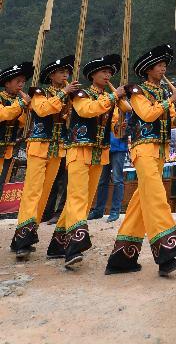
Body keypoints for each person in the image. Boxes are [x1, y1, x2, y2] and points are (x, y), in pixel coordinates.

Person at [104, 44, 176, 278]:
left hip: (160, 151)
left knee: (140, 203)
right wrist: (171, 100)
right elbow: (147, 114)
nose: (163, 69)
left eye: (164, 65)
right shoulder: (137, 92)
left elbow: (167, 117)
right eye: (160, 65)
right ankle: (166, 255)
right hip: (143, 150)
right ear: (149, 69)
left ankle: (122, 258)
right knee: (156, 197)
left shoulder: (163, 93)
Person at [47, 54, 125, 269]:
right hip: (78, 150)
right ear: (93, 75)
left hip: (99, 153)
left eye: (110, 72)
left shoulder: (111, 99)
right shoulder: (80, 94)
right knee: (78, 197)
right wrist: (111, 98)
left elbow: (116, 123)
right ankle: (74, 248)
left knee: (82, 199)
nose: (108, 75)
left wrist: (120, 123)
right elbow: (86, 110)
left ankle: (56, 245)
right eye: (104, 72)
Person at [10, 55, 80, 260]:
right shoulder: (39, 92)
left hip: (57, 149)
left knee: (44, 194)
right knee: (32, 192)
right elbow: (42, 109)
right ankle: (22, 240)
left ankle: (25, 236)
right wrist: (64, 94)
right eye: (61, 71)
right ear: (51, 75)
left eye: (67, 71)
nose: (65, 74)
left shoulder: (68, 94)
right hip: (39, 147)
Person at [89, 113, 129, 223]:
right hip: (104, 147)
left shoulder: (126, 107)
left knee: (117, 180)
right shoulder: (106, 106)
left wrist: (126, 127)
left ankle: (115, 211)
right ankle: (98, 211)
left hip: (119, 148)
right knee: (102, 181)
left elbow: (132, 127)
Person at [0, 62, 33, 194]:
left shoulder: (18, 101)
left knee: (1, 183)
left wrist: (28, 108)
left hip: (7, 149)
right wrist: (22, 103)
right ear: (7, 83)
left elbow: (22, 123)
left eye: (23, 82)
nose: (21, 85)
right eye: (18, 81)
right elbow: (4, 114)